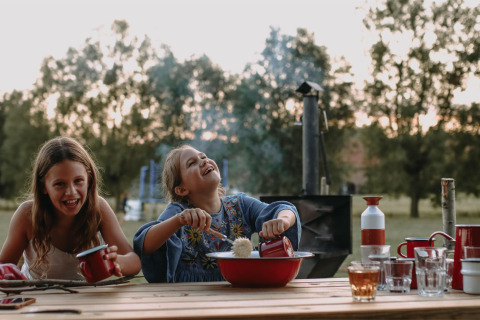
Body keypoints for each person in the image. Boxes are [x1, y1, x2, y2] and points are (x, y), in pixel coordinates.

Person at [133, 145, 301, 283]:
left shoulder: (240, 205)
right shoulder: (179, 213)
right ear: (182, 189)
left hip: (240, 293)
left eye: (204, 157)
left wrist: (283, 221)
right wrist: (178, 221)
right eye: (192, 163)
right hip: (189, 301)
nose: (203, 161)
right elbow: (144, 244)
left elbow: (283, 209)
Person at [0, 136, 141, 280]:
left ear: (89, 180)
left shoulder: (98, 209)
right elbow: (3, 267)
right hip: (36, 299)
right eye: (60, 184)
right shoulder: (27, 214)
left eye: (78, 181)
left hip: (81, 300)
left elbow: (134, 263)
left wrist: (118, 261)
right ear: (43, 186)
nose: (71, 192)